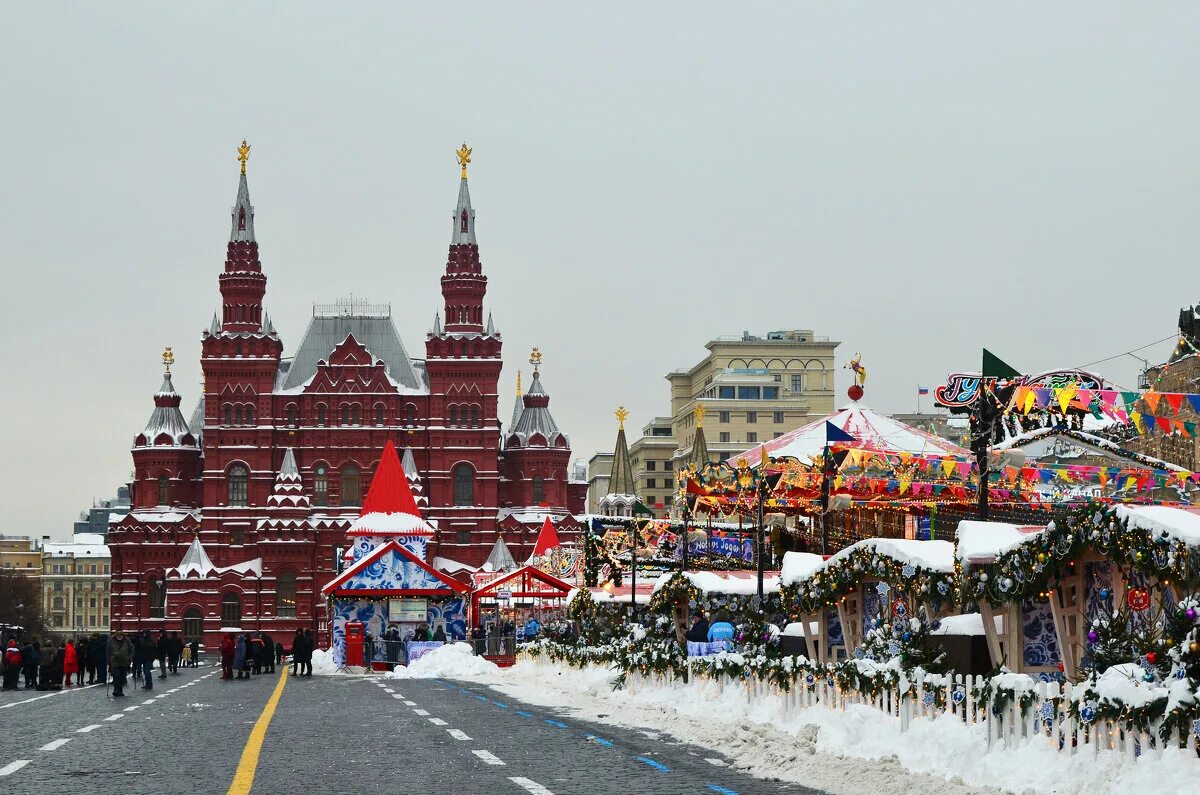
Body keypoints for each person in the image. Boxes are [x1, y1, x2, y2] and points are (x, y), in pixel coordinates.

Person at [108, 630, 134, 698]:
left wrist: (129, 658)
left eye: (121, 636)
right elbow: (108, 651)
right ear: (116, 636)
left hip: (124, 662)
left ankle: (120, 690)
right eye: (118, 636)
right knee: (117, 676)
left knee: (122, 677)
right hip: (114, 661)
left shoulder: (127, 641)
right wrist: (109, 659)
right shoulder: (111, 641)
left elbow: (132, 650)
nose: (119, 637)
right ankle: (116, 690)